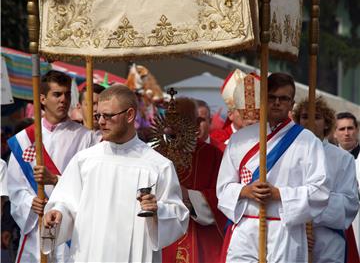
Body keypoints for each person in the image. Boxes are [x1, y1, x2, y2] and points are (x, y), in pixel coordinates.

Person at [43, 85, 189, 263]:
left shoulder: (158, 166)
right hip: (90, 254)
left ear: (129, 115)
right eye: (98, 116)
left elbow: (179, 216)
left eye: (108, 116)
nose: (101, 122)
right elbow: (66, 201)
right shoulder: (85, 160)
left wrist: (158, 209)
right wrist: (58, 212)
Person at [217, 72, 330, 262]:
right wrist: (246, 190)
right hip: (246, 230)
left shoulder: (308, 141)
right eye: (272, 97)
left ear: (292, 104)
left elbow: (320, 192)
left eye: (283, 98)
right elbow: (223, 189)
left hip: (286, 232)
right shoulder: (240, 139)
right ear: (263, 99)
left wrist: (279, 194)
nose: (277, 103)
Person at [6, 70, 95, 263]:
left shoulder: (86, 137)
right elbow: (14, 186)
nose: (64, 100)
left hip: (70, 228)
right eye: (57, 94)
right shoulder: (25, 139)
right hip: (36, 229)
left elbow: (91, 183)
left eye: (67, 94)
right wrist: (30, 202)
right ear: (42, 98)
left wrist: (55, 180)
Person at [293, 97, 359, 262]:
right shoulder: (287, 154)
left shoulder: (342, 158)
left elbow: (349, 205)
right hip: (293, 239)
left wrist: (310, 206)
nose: (309, 122)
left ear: (327, 123)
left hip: (328, 242)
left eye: (316, 117)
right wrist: (300, 228)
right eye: (304, 117)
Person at [162, 97, 226, 263]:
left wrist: (188, 196)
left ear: (196, 124)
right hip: (162, 235)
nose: (174, 128)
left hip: (199, 237)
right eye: (170, 121)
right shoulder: (154, 154)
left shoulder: (213, 156)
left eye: (181, 121)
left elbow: (222, 198)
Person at [335, 112, 360, 255]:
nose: (346, 133)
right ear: (334, 132)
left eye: (350, 128)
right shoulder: (325, 160)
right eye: (341, 129)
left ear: (357, 130)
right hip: (337, 225)